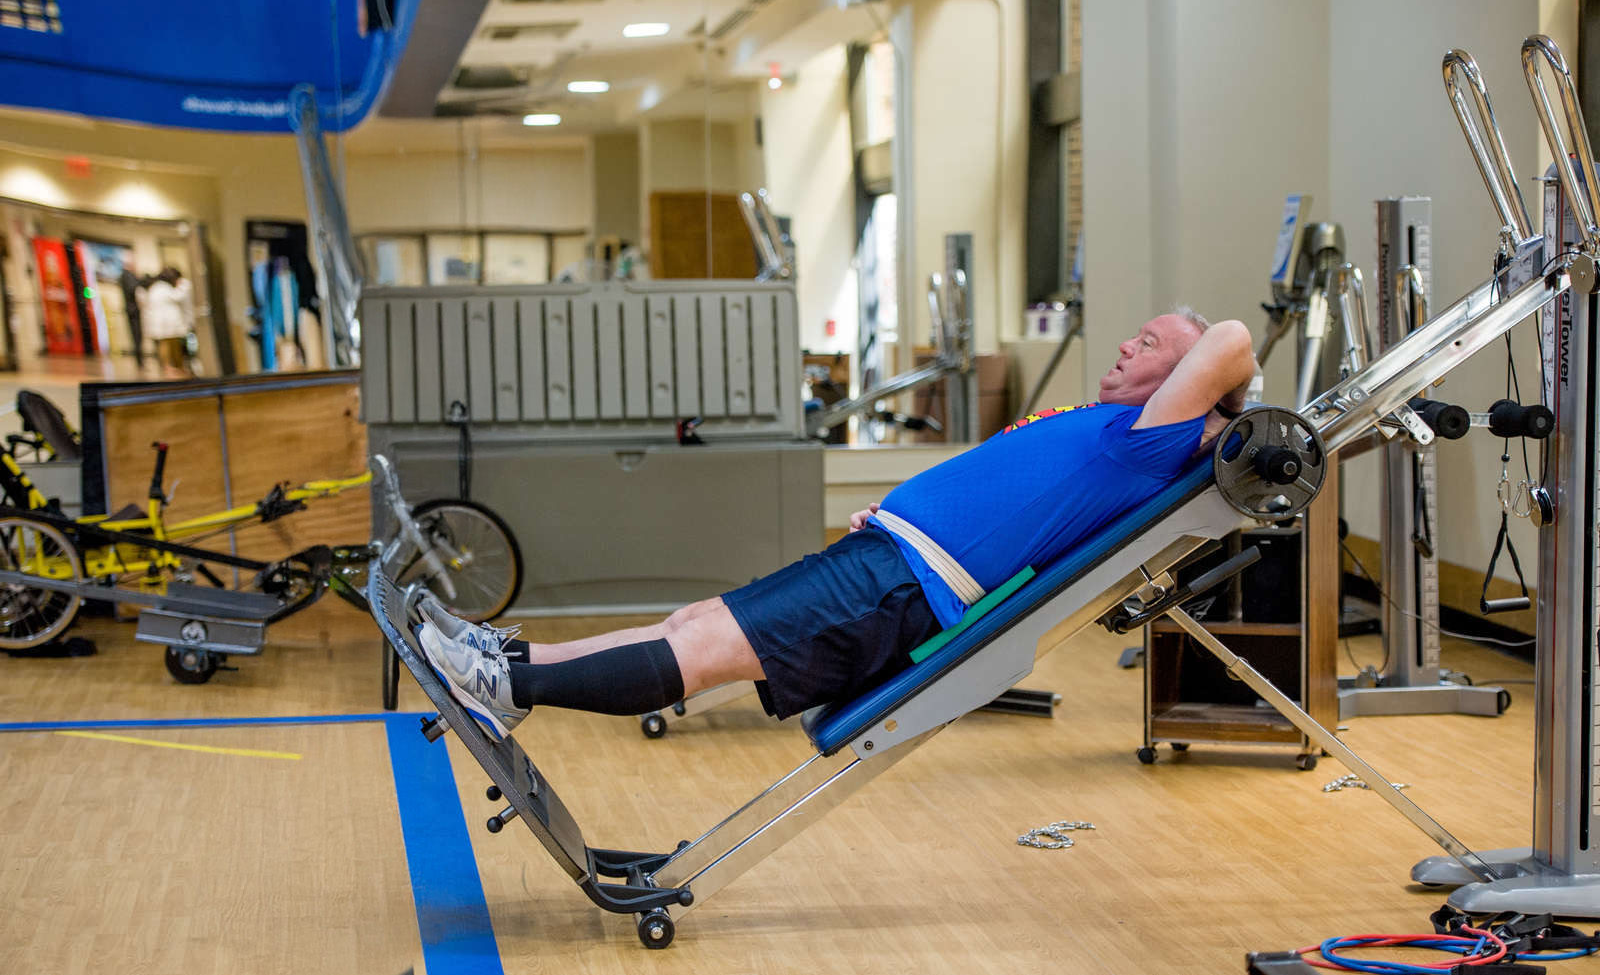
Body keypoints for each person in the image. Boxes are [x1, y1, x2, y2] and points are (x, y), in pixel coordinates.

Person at [414, 309, 1258, 740]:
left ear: (1185, 384)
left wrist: (1211, 398)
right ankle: (508, 661)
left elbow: (1232, 339)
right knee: (694, 622)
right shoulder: (1115, 423)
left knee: (703, 653)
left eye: (1149, 344)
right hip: (886, 558)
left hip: (901, 589)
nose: (1123, 347)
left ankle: (505, 691)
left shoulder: (1154, 442)